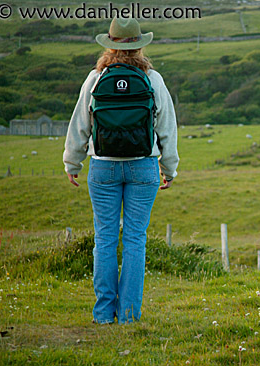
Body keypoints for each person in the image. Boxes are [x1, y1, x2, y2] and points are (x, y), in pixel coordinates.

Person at [63, 17, 179, 324]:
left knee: (104, 239)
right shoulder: (153, 79)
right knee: (135, 240)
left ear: (109, 45)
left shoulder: (95, 79)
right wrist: (170, 168)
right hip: (143, 167)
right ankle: (128, 315)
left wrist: (72, 163)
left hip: (102, 167)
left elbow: (80, 126)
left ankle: (103, 314)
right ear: (141, 45)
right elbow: (167, 129)